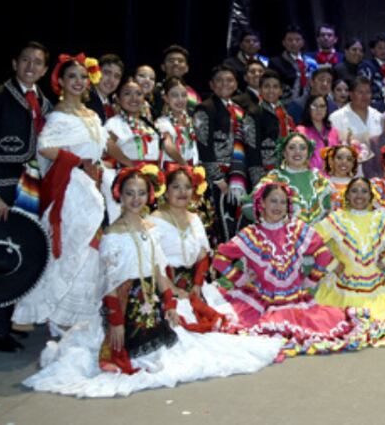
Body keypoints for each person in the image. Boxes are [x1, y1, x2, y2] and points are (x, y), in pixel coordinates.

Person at [22, 167, 282, 397]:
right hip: (125, 305)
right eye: (129, 194)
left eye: (140, 193)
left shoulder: (150, 229)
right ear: (119, 196)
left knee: (180, 346)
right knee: (132, 352)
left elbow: (159, 271)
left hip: (153, 299)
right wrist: (115, 323)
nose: (136, 199)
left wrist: (169, 303)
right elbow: (111, 283)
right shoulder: (112, 235)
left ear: (148, 196)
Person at [213, 180, 364, 356]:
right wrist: (241, 279)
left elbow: (323, 254)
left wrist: (311, 280)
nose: (278, 206)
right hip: (261, 301)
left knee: (321, 326)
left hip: (296, 299)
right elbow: (220, 258)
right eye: (273, 201)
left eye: (283, 202)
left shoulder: (297, 229)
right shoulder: (251, 234)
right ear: (261, 203)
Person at [13, 54, 106, 334]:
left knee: (87, 251)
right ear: (60, 82)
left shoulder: (90, 114)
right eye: (72, 77)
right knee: (68, 248)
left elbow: (99, 148)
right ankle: (49, 311)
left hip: (91, 188)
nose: (78, 82)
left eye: (82, 77)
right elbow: (44, 147)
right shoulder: (58, 115)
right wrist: (78, 162)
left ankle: (74, 312)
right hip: (70, 190)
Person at [0, 41, 53, 351]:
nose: (31, 66)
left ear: (45, 69)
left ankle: (4, 323)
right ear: (15, 63)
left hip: (32, 192)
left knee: (19, 257)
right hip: (4, 190)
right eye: (26, 60)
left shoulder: (44, 103)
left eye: (38, 62)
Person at [314, 176, 385, 347]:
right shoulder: (336, 218)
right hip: (344, 287)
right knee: (335, 322)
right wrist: (332, 264)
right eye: (354, 191)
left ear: (372, 197)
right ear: (347, 196)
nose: (359, 195)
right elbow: (310, 240)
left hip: (377, 285)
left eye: (364, 191)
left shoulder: (381, 219)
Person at [149, 165, 224, 333]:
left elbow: (202, 255)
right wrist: (173, 289)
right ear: (166, 191)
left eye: (187, 187)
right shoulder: (153, 220)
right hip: (166, 285)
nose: (182, 192)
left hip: (193, 286)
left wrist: (197, 285)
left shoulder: (195, 218)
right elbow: (153, 263)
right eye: (176, 187)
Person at [193, 65, 257, 241]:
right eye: (219, 81)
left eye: (229, 80)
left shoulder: (239, 109)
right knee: (219, 224)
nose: (224, 84)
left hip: (238, 175)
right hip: (217, 178)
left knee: (237, 223)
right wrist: (218, 179)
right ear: (212, 85)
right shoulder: (204, 108)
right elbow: (203, 146)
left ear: (236, 84)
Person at [103, 77, 164, 222]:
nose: (133, 98)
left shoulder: (149, 124)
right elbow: (107, 146)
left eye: (138, 93)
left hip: (151, 181)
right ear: (117, 98)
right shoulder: (113, 124)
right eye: (127, 93)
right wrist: (131, 165)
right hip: (126, 183)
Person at [255, 131, 334, 225]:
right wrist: (274, 223)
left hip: (316, 236)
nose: (297, 152)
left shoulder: (318, 178)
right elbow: (250, 206)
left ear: (308, 153)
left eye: (303, 148)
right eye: (292, 148)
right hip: (285, 237)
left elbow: (329, 208)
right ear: (284, 152)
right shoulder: (274, 178)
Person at [249, 69, 295, 182]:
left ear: (280, 91)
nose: (271, 90)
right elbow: (252, 148)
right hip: (264, 172)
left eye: (275, 87)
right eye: (266, 86)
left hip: (285, 169)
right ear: (260, 90)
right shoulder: (254, 113)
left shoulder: (285, 114)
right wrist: (258, 178)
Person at [156, 77, 200, 168]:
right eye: (175, 95)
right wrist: (185, 165)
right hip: (172, 169)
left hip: (191, 166)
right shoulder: (162, 122)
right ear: (166, 98)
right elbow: (168, 146)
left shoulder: (190, 120)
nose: (180, 99)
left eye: (184, 95)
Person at [269, 24, 316, 106]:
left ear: (303, 42)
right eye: (290, 40)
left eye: (297, 40)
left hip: (311, 103)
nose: (294, 43)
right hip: (286, 104)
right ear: (284, 42)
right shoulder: (275, 62)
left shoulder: (311, 62)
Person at [329, 76, 384, 143]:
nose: (365, 96)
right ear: (351, 95)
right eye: (360, 92)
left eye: (368, 92)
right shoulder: (336, 117)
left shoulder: (379, 117)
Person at [297, 92, 341, 171]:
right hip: (311, 177)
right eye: (314, 106)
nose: (319, 109)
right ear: (308, 108)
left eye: (322, 106)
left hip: (333, 176)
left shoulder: (333, 131)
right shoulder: (301, 131)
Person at [154, 45, 202, 116]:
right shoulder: (154, 91)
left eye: (180, 61)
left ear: (186, 68)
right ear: (163, 67)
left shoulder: (193, 94)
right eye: (171, 60)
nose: (176, 63)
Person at [86, 53, 123, 123]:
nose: (111, 80)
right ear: (96, 72)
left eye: (117, 76)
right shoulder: (85, 100)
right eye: (107, 73)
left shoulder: (115, 105)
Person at [358, 33, 385, 103]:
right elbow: (362, 87)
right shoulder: (366, 65)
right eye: (380, 48)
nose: (383, 51)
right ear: (372, 50)